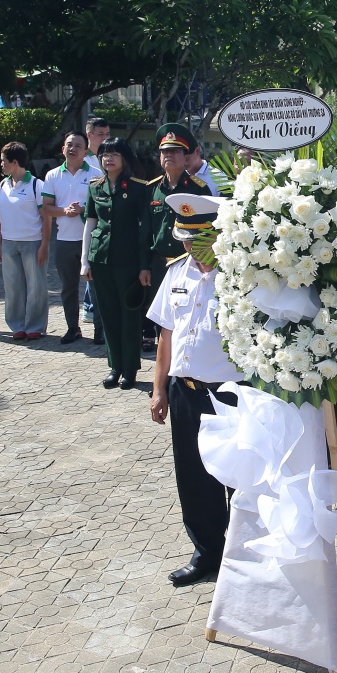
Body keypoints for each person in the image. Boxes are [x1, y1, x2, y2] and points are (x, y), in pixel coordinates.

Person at [148, 192, 241, 586]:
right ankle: (206, 552)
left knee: (236, 476)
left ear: (218, 235)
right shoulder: (176, 273)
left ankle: (241, 553)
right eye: (184, 239)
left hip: (230, 393)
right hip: (184, 391)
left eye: (197, 239)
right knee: (194, 475)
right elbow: (166, 335)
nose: (190, 247)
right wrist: (159, 389)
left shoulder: (240, 276)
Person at [81, 138, 153, 390]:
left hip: (128, 259)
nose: (108, 159)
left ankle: (130, 369)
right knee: (108, 314)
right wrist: (85, 261)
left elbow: (144, 230)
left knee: (129, 315)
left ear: (125, 158)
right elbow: (90, 223)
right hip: (101, 258)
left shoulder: (138, 188)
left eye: (114, 154)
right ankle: (115, 366)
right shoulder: (95, 186)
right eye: (104, 154)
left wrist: (144, 265)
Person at [149, 125, 212, 352]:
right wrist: (145, 266)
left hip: (188, 263)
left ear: (186, 158)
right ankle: (163, 368)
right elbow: (146, 231)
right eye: (165, 152)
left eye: (175, 151)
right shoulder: (153, 189)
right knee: (162, 320)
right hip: (159, 264)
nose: (169, 156)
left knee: (187, 317)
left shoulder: (199, 189)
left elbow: (207, 230)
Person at [41, 132, 96, 344]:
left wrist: (83, 209)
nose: (73, 149)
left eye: (78, 146)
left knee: (97, 287)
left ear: (85, 151)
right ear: (63, 148)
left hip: (91, 239)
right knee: (68, 287)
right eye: (69, 145)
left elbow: (102, 206)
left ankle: (100, 329)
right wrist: (65, 211)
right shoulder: (53, 175)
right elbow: (46, 208)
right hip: (64, 239)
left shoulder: (96, 174)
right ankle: (73, 328)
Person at [0, 142, 50, 341]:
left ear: (15, 162)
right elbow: (1, 215)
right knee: (13, 286)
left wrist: (44, 245)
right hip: (9, 242)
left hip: (32, 242)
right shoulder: (3, 184)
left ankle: (35, 326)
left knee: (35, 285)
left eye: (3, 161)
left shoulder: (36, 185)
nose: (1, 164)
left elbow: (46, 218)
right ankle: (17, 325)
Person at [81, 117, 110, 335]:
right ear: (89, 135)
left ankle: (93, 310)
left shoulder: (109, 157)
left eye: (108, 134)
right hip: (78, 226)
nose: (105, 138)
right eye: (101, 134)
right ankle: (90, 308)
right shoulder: (84, 160)